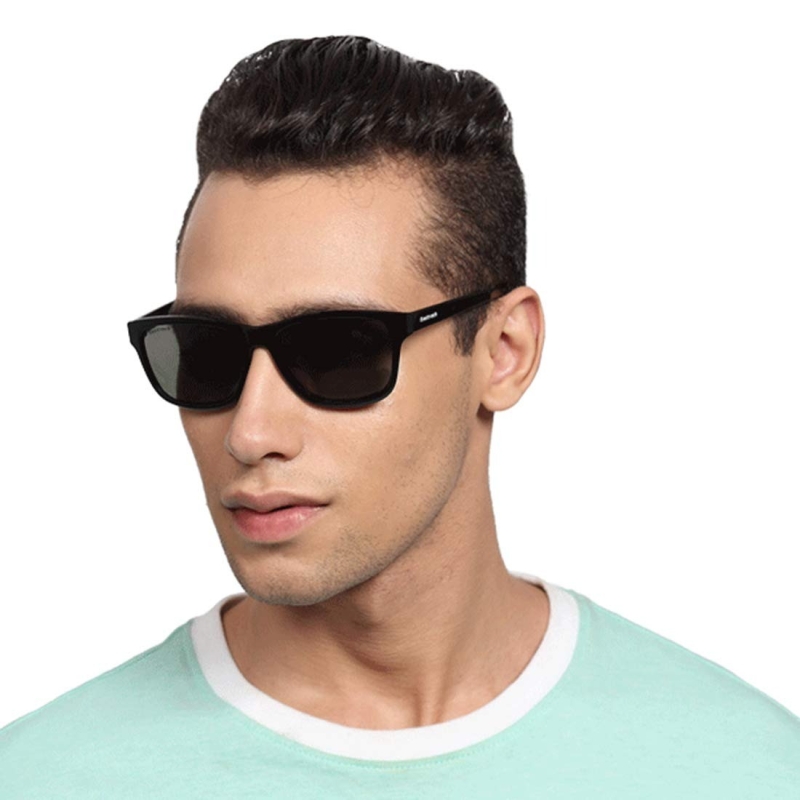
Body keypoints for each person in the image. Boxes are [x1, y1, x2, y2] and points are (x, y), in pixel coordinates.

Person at [1, 34, 798, 798]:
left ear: (504, 351)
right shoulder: (40, 779)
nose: (250, 432)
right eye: (206, 352)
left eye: (338, 351)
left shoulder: (750, 770)